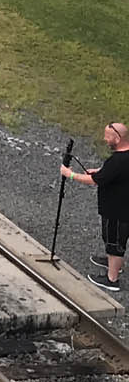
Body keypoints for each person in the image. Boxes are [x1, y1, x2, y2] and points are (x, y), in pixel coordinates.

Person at [61, 121, 129, 293]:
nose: (105, 140)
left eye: (108, 137)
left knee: (114, 242)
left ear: (117, 138)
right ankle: (113, 262)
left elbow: (94, 181)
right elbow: (112, 173)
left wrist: (71, 175)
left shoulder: (117, 161)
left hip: (117, 210)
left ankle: (112, 279)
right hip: (122, 207)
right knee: (114, 240)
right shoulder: (123, 158)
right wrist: (101, 170)